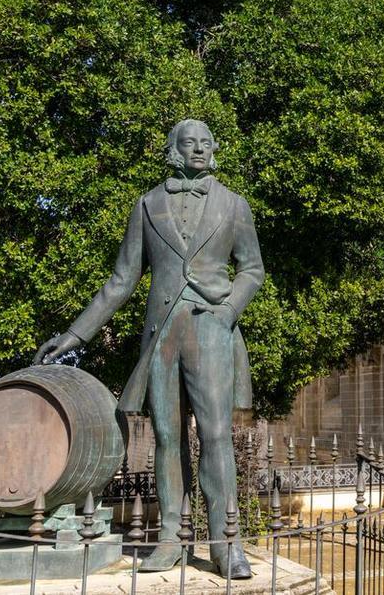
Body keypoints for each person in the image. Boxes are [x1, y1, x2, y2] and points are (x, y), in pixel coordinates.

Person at [34, 119, 264, 576]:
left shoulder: (234, 205)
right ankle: (171, 540)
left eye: (206, 143)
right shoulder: (147, 204)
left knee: (217, 436)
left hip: (212, 329)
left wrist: (228, 311)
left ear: (213, 150)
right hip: (161, 335)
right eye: (189, 143)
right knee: (166, 439)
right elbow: (122, 280)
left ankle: (226, 543)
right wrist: (75, 335)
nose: (198, 149)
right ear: (174, 150)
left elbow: (252, 269)